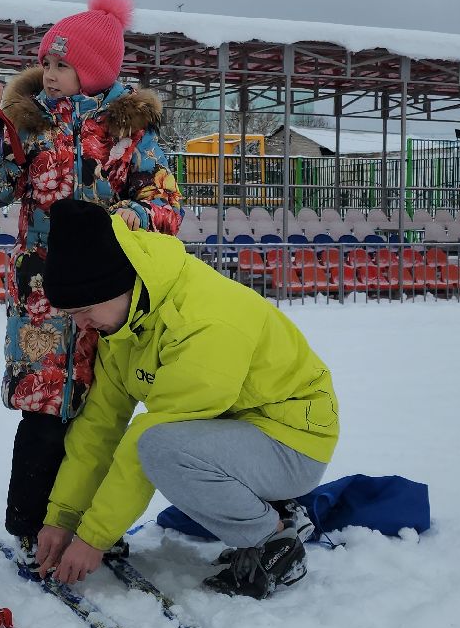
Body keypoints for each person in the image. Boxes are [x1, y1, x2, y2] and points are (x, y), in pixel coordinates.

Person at [0, 0, 182, 555]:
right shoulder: (29, 123)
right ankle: (29, 518)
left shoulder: (130, 132)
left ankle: (83, 519)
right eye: (48, 63)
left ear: (96, 71)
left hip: (105, 295)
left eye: (64, 65)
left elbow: (165, 203)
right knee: (43, 406)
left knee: (98, 414)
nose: (51, 74)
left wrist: (116, 223)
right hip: (42, 292)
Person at [33, 199, 339, 599]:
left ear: (119, 284)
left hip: (294, 440)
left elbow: (152, 437)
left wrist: (94, 538)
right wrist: (64, 517)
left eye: (85, 309)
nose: (80, 324)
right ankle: (270, 515)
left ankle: (274, 542)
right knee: (155, 442)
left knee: (159, 446)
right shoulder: (124, 323)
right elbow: (99, 429)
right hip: (242, 435)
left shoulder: (202, 318)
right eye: (72, 313)